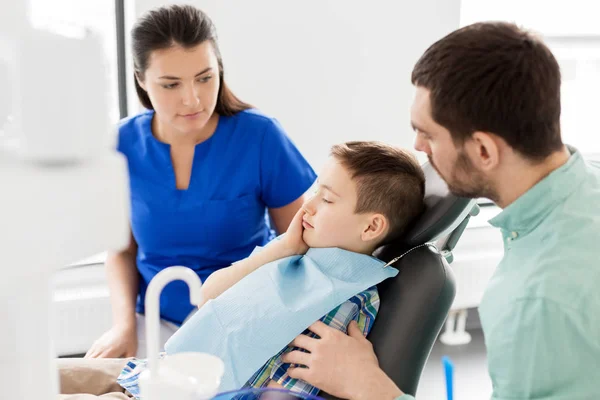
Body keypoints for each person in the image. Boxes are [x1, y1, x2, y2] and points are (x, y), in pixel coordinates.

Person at [283, 21, 600, 400]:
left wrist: (371, 387)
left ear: (483, 151)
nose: (418, 146)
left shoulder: (535, 303)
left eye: (429, 135)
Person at [57, 141, 425, 399]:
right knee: (36, 377)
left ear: (371, 228)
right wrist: (280, 248)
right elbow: (208, 295)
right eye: (315, 191)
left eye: (326, 199)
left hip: (186, 394)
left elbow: (289, 390)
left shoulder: (347, 301)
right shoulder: (293, 257)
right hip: (155, 373)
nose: (308, 205)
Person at [85, 4, 317, 360]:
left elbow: (300, 244)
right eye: (171, 84)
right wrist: (124, 326)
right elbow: (121, 249)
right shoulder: (121, 144)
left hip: (245, 315)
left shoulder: (261, 137)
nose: (192, 99)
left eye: (205, 78)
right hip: (155, 319)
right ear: (141, 80)